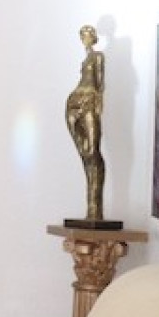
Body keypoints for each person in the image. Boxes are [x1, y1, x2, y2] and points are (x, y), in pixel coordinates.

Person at [65, 25, 107, 223]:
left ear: (94, 37)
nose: (85, 39)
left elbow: (100, 84)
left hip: (90, 100)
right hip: (74, 101)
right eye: (82, 36)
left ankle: (95, 208)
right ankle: (91, 206)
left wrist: (98, 103)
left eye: (88, 35)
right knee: (84, 153)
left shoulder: (98, 57)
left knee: (92, 151)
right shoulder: (84, 60)